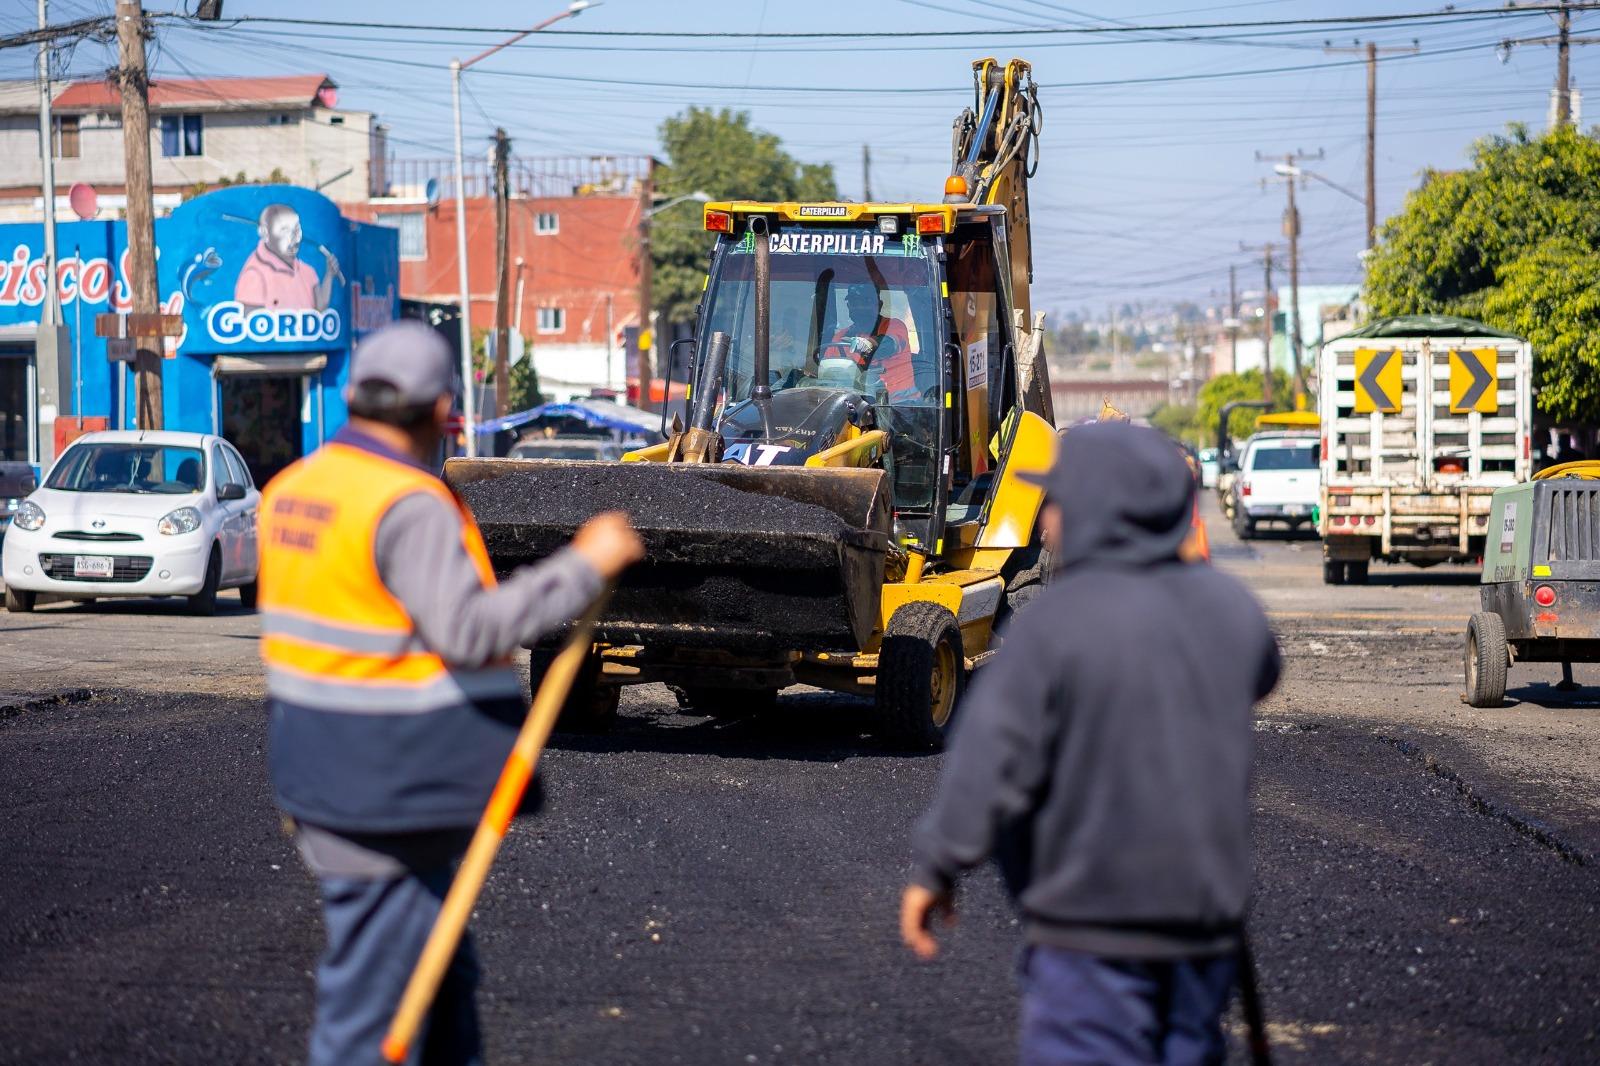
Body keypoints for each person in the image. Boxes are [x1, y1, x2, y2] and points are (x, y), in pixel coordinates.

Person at [258, 320, 644, 1066]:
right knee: (371, 1015)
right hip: (390, 791)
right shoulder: (407, 505)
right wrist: (584, 565)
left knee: (442, 981)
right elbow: (469, 631)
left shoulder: (294, 490)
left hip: (321, 776)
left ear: (351, 394)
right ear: (443, 411)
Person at [900, 421, 1280, 1066]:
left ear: (1096, 509)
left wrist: (940, 864)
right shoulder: (1225, 608)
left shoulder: (1056, 624)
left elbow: (992, 761)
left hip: (1088, 930)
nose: (1046, 521)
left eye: (1056, 504)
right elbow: (1262, 668)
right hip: (1203, 924)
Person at [236, 202, 338, 311]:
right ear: (265, 232)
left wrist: (329, 275)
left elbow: (320, 308)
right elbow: (250, 323)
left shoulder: (308, 271)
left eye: (297, 230)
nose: (295, 238)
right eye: (285, 230)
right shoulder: (254, 274)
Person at [832, 283, 919, 398]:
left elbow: (888, 344)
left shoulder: (894, 326)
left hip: (901, 404)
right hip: (857, 402)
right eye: (854, 303)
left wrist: (869, 345)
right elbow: (829, 369)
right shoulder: (840, 337)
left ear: (879, 305)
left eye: (866, 302)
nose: (860, 307)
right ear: (848, 306)